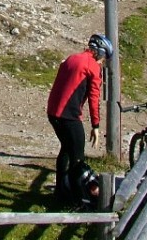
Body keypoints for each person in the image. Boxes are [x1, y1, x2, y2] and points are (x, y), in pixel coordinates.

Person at [46, 33, 113, 203]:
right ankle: (79, 198)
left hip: (53, 113)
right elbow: (94, 98)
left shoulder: (72, 58)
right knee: (77, 157)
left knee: (66, 150)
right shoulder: (92, 66)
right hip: (69, 116)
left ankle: (60, 192)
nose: (103, 62)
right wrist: (96, 126)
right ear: (99, 53)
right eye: (104, 58)